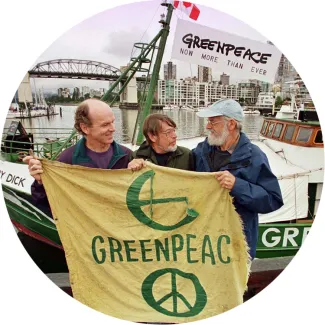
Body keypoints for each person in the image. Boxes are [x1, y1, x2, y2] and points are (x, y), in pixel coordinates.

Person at [193, 98, 283, 259]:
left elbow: (273, 199)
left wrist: (237, 185)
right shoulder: (201, 151)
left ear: (231, 124)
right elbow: (175, 169)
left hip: (237, 244)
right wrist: (142, 158)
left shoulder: (255, 156)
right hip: (204, 242)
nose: (207, 126)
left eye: (213, 122)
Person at [24, 98, 133, 217]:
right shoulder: (67, 160)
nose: (113, 128)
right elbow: (47, 206)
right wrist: (41, 183)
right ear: (85, 128)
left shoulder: (127, 156)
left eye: (112, 122)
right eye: (105, 124)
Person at [128, 113, 194, 171]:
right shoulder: (136, 157)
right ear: (152, 137)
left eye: (174, 130)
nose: (175, 136)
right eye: (168, 132)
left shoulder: (187, 155)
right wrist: (130, 169)